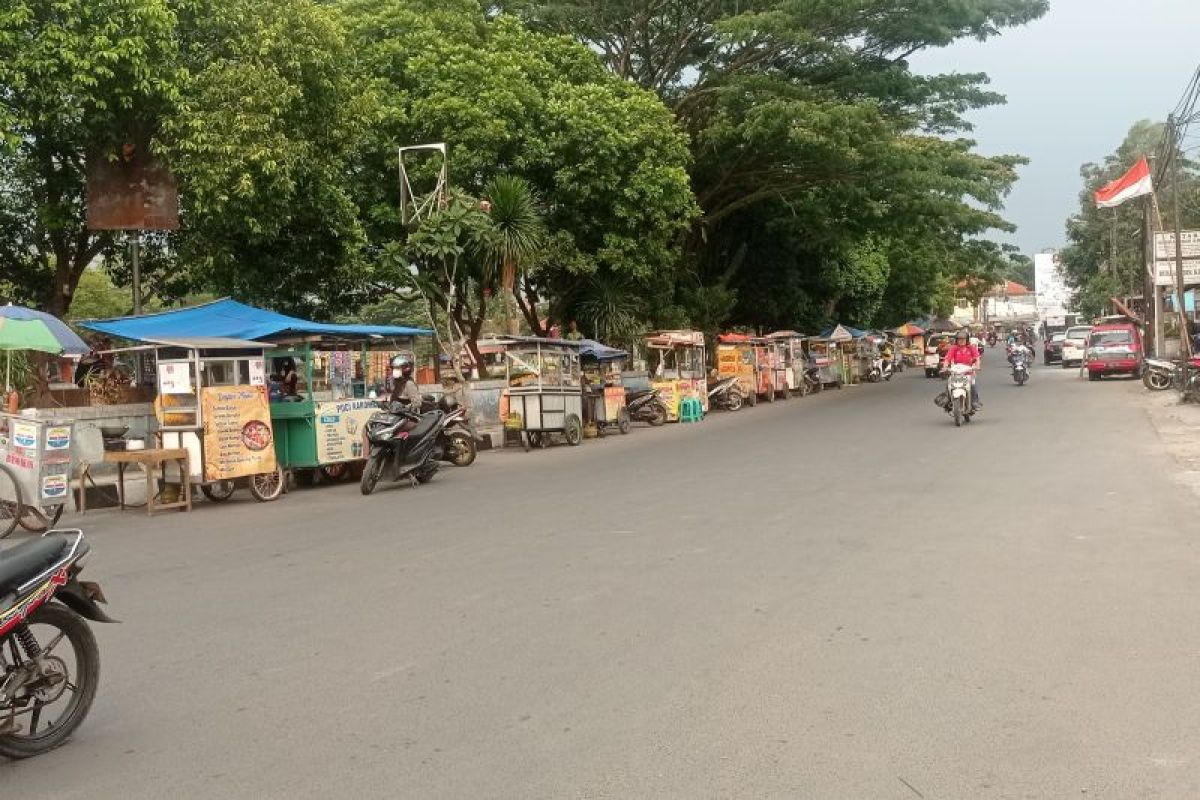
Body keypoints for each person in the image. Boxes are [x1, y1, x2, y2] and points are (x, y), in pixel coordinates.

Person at [942, 330, 982, 408]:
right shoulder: (954, 348)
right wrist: (945, 367)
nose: (961, 341)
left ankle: (974, 401)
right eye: (959, 339)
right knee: (949, 383)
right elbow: (947, 359)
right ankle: (947, 400)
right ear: (956, 340)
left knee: (972, 385)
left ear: (967, 340)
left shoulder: (971, 348)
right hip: (957, 371)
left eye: (963, 339)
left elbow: (977, 358)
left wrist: (977, 366)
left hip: (969, 371)